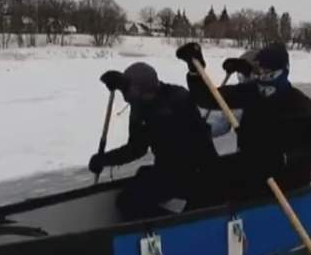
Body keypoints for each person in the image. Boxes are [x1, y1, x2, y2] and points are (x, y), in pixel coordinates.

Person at [177, 41, 311, 197]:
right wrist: (195, 72)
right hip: (251, 165)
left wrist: (283, 159)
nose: (263, 80)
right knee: (209, 178)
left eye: (269, 74)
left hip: (286, 180)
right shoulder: (251, 92)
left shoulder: (301, 107)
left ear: (283, 71)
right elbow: (208, 98)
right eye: (260, 72)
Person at [90, 62, 219, 220]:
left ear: (146, 89)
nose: (129, 99)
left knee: (133, 201)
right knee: (127, 198)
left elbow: (164, 118)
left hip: (197, 171)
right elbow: (137, 148)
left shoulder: (177, 99)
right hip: (168, 169)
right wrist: (104, 159)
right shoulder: (141, 105)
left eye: (131, 91)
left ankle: (171, 225)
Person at [203, 49, 257, 138]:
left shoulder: (271, 95)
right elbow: (221, 124)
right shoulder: (237, 95)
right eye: (240, 73)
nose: (241, 77)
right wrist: (203, 129)